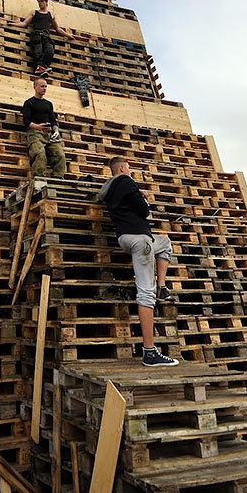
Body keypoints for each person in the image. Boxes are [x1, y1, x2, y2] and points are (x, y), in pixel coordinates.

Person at [97, 156, 179, 368]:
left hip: (126, 237)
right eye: (129, 168)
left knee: (165, 244)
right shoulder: (126, 181)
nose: (131, 171)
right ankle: (150, 352)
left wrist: (136, 194)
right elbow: (144, 211)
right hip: (139, 240)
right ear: (123, 168)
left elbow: (124, 201)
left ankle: (162, 287)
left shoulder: (110, 188)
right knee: (145, 294)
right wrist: (142, 198)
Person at [12, 0, 74, 75]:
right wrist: (13, 24)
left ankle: (41, 67)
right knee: (38, 52)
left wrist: (68, 35)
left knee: (50, 50)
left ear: (46, 2)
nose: (40, 3)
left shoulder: (51, 15)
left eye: (42, 1)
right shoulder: (34, 12)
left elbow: (57, 29)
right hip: (36, 35)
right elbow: (24, 23)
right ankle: (40, 69)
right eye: (39, 1)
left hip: (46, 36)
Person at [22, 78, 66, 178]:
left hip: (49, 134)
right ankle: (39, 178)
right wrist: (38, 127)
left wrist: (56, 131)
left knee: (60, 155)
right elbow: (26, 121)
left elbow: (53, 120)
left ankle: (58, 178)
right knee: (39, 154)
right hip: (35, 133)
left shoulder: (48, 104)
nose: (44, 88)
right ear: (35, 87)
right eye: (42, 86)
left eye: (46, 86)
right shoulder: (29, 103)